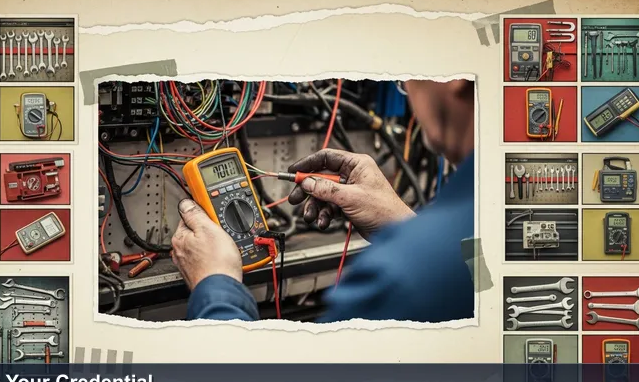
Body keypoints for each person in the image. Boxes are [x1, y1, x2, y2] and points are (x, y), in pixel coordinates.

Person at [171, 79, 476, 322]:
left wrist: (215, 282)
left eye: (405, 79)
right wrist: (403, 225)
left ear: (457, 81)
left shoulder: (397, 277)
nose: (407, 91)